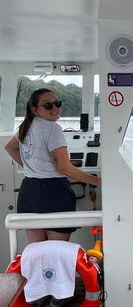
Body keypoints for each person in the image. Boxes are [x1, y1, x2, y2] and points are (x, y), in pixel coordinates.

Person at [4, 88, 101, 243]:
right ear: (35, 110)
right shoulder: (52, 128)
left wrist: (32, 167)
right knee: (56, 250)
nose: (55, 108)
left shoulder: (26, 126)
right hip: (53, 193)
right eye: (48, 105)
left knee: (37, 251)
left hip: (29, 191)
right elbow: (64, 167)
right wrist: (97, 181)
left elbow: (9, 147)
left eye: (58, 103)